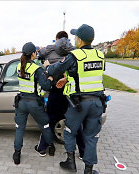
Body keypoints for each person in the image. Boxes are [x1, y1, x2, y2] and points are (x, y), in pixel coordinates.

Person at [44, 24, 105, 174]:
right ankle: (89, 170)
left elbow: (55, 69)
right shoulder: (100, 55)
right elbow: (86, 75)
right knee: (91, 136)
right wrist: (67, 80)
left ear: (79, 39)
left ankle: (70, 162)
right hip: (97, 102)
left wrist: (47, 66)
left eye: (76, 36)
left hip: (79, 104)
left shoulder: (75, 56)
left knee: (70, 132)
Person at [37, 31, 85, 159]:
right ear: (67, 39)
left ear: (56, 39)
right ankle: (83, 152)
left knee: (51, 119)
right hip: (70, 92)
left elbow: (39, 54)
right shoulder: (74, 52)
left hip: (56, 90)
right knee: (76, 122)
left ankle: (42, 148)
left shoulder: (49, 49)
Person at [13, 42, 54, 165]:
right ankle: (51, 147)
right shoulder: (37, 69)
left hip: (21, 102)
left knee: (19, 128)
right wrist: (50, 76)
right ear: (33, 54)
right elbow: (46, 85)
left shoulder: (19, 67)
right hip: (34, 103)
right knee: (45, 125)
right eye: (35, 52)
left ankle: (16, 154)